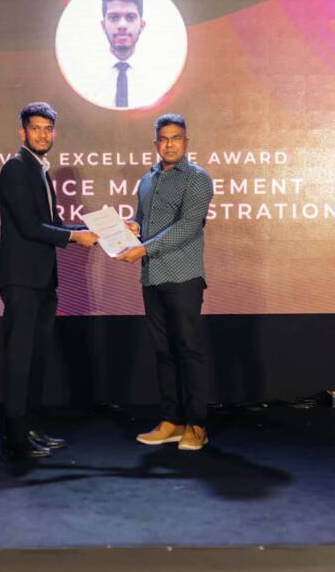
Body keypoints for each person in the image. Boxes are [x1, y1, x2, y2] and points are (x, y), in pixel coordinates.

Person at [0, 102, 98, 459]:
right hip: (22, 280)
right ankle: (15, 438)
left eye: (47, 129)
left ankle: (30, 429)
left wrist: (93, 231)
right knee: (20, 360)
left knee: (36, 359)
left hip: (42, 280)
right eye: (35, 128)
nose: (42, 134)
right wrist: (76, 237)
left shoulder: (39, 170)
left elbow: (52, 225)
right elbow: (30, 227)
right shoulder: (15, 168)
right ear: (23, 132)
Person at [117, 114, 214, 450]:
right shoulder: (147, 180)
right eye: (164, 138)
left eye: (176, 138)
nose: (169, 144)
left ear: (186, 142)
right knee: (163, 351)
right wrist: (132, 227)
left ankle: (196, 424)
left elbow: (188, 226)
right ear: (156, 142)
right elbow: (143, 221)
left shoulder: (198, 179)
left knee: (188, 350)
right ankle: (171, 421)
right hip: (152, 276)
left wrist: (144, 247)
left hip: (183, 276)